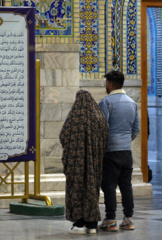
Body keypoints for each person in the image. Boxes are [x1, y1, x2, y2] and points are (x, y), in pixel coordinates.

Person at [59, 89, 109, 234]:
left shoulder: (74, 118)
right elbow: (106, 137)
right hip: (94, 164)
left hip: (76, 165)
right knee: (92, 190)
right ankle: (92, 224)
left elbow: (63, 136)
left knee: (77, 190)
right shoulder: (99, 117)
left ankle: (79, 223)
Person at [98, 70, 140, 232]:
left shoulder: (106, 102)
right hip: (126, 151)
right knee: (126, 185)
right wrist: (124, 141)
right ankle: (128, 219)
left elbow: (103, 128)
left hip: (110, 151)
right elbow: (136, 129)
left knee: (109, 186)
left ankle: (110, 220)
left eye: (106, 83)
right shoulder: (131, 103)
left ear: (110, 84)